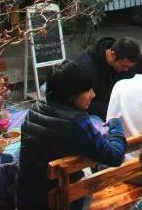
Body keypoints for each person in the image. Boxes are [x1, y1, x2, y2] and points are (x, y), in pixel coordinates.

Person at [18, 60, 126, 210]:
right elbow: (115, 156)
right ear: (71, 95)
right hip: (60, 201)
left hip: (27, 195)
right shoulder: (76, 122)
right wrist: (116, 125)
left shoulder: (35, 108)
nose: (93, 94)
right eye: (88, 90)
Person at [76, 37, 140, 119]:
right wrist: (113, 110)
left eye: (129, 67)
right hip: (94, 112)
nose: (126, 70)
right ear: (112, 54)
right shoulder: (86, 66)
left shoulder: (127, 64)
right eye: (123, 66)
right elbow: (81, 101)